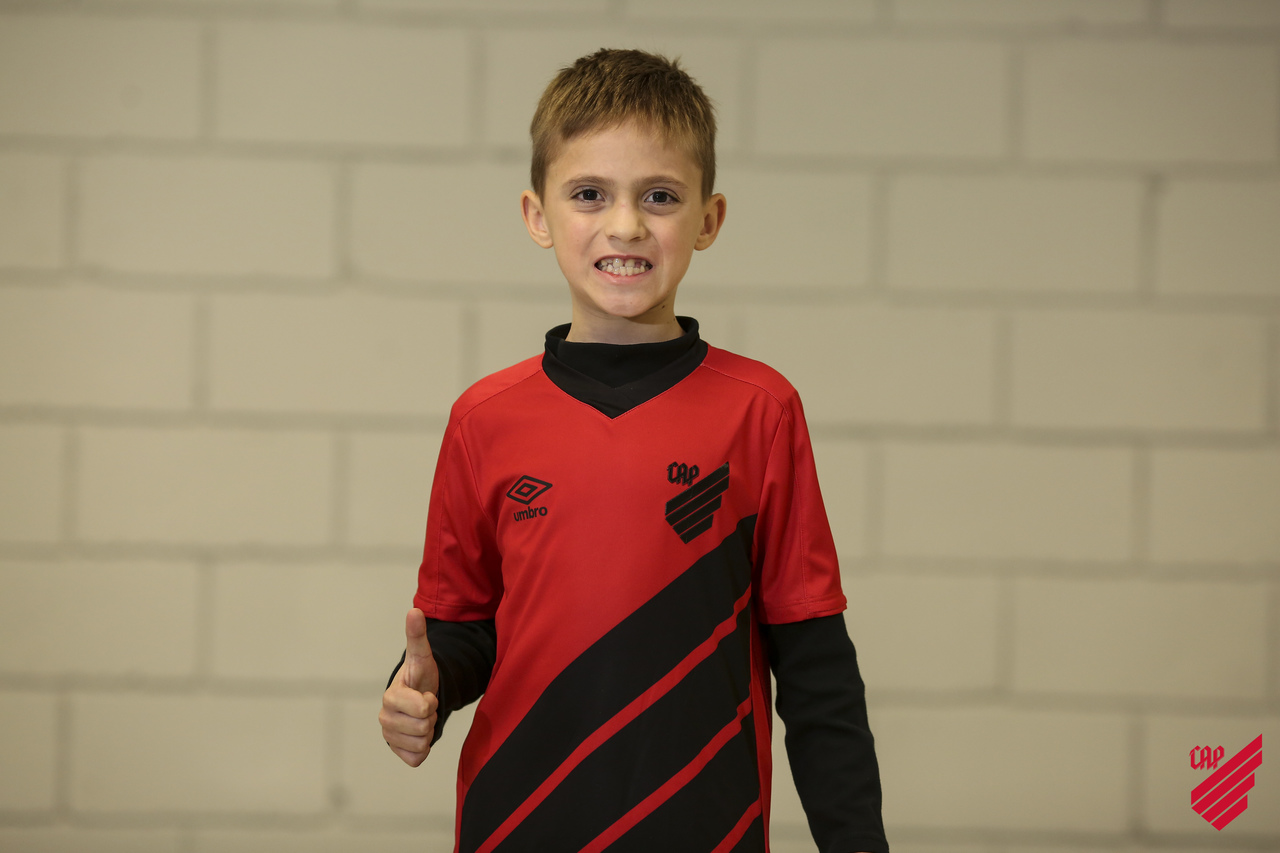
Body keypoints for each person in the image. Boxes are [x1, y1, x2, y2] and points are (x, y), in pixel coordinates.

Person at [379, 47, 889, 853]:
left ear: (708, 219)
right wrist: (424, 693)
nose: (625, 225)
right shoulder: (485, 418)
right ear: (537, 215)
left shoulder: (760, 412)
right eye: (590, 194)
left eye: (660, 196)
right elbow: (464, 628)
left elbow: (817, 670)